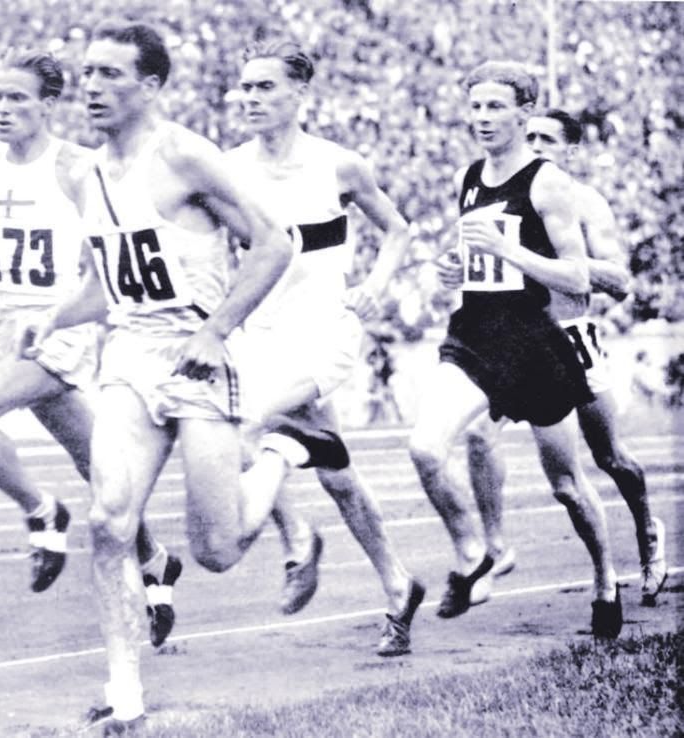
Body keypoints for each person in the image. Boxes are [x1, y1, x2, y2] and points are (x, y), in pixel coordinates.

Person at [21, 20, 342, 733]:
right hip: (132, 355)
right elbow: (111, 288)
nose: (93, 87)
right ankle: (125, 692)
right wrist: (52, 318)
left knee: (217, 551)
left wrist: (213, 330)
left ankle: (283, 456)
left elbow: (274, 244)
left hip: (198, 357)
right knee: (109, 520)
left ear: (152, 85)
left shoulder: (186, 157)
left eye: (110, 74)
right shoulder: (81, 173)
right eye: (89, 73)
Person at [0, 49, 180, 645]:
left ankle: (43, 512)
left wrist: (95, 312)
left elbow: (115, 250)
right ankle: (157, 561)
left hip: (62, 328)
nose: (3, 108)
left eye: (17, 98)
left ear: (48, 105)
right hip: (7, 325)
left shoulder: (77, 168)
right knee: (98, 463)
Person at [225, 34, 424, 657]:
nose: (249, 97)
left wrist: (375, 284)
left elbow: (397, 229)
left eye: (264, 86)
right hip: (259, 334)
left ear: (299, 93)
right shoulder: (228, 169)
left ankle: (296, 543)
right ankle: (397, 584)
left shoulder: (339, 165)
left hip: (326, 332)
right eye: (245, 86)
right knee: (336, 473)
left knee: (249, 426)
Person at [409, 61, 622, 638]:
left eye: (495, 106)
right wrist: (454, 268)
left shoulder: (548, 181)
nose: (482, 118)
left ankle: (606, 581)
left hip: (533, 340)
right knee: (427, 447)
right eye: (475, 106)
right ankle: (478, 552)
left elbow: (578, 278)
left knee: (567, 486)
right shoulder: (470, 174)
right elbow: (475, 260)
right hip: (476, 331)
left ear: (525, 111)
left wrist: (508, 251)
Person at [461, 108, 667, 607]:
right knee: (484, 436)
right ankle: (493, 550)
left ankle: (646, 529)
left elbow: (619, 282)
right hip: (515, 342)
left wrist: (549, 254)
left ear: (571, 151)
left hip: (571, 338)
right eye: (529, 135)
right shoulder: (503, 194)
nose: (534, 144)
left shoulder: (584, 203)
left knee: (611, 458)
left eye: (547, 139)